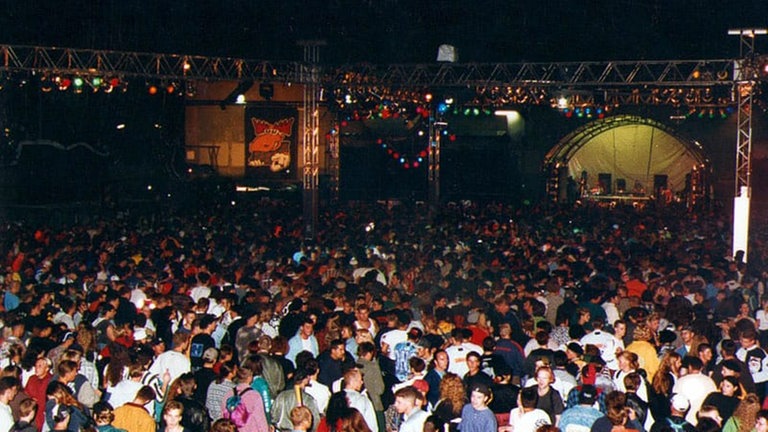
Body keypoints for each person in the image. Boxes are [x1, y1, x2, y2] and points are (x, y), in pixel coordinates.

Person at [672, 356, 717, 426]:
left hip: (686, 420)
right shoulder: (709, 381)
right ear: (702, 367)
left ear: (689, 367)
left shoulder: (681, 381)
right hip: (703, 421)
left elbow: (675, 399)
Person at [342, 367, 378, 432]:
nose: (362, 382)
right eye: (360, 380)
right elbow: (372, 424)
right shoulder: (362, 400)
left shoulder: (335, 398)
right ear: (352, 381)